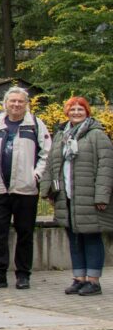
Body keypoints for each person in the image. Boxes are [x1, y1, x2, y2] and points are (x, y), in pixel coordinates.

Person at [0, 87, 52, 290]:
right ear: (5, 103)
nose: (16, 105)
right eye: (12, 101)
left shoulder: (35, 124)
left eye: (20, 101)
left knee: (25, 232)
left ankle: (23, 275)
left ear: (26, 103)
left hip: (25, 189)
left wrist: (36, 175)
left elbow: (46, 153)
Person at [42, 97, 110, 296]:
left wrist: (102, 196)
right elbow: (50, 165)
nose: (76, 112)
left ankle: (93, 280)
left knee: (91, 237)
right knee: (74, 239)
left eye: (81, 109)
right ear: (67, 112)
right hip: (66, 196)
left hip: (89, 196)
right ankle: (79, 278)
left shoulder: (97, 135)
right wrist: (47, 190)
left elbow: (106, 167)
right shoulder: (61, 135)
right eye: (72, 109)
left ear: (87, 112)